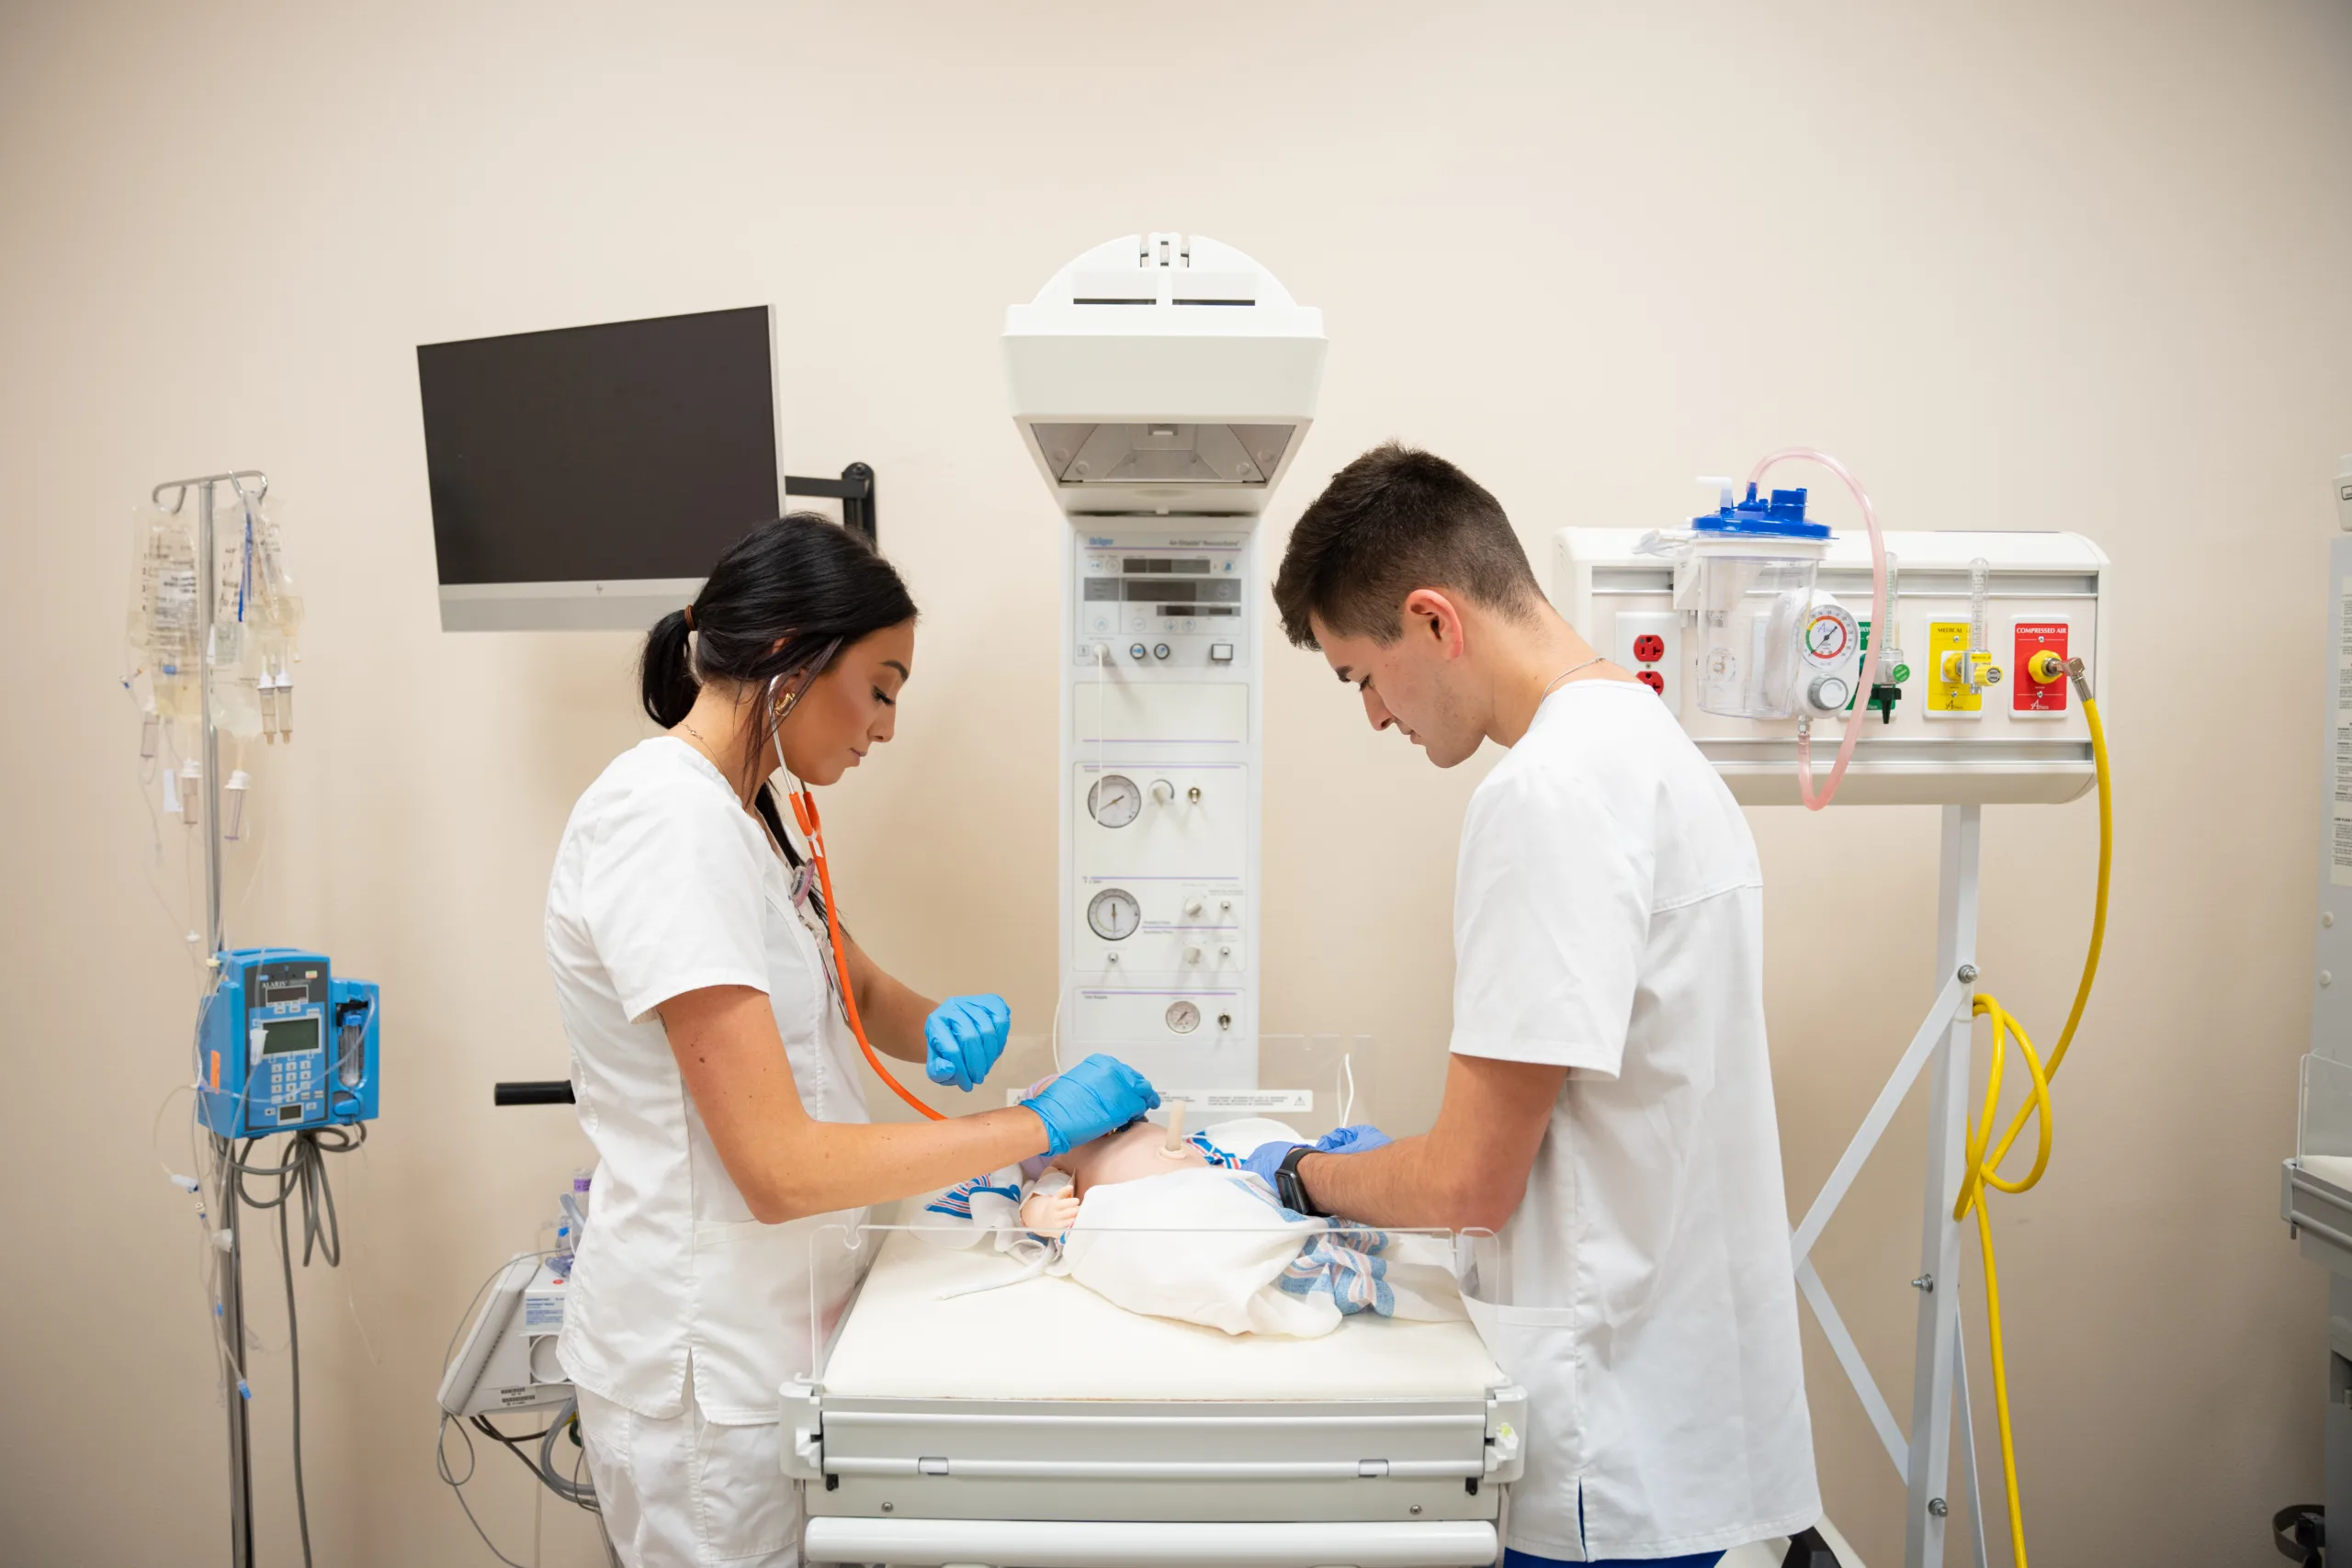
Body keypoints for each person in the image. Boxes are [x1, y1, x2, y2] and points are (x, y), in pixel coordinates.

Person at [542, 513, 1158, 1568]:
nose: (883, 727)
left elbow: (846, 980)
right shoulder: (664, 824)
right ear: (789, 655)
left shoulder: (755, 812)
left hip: (788, 1326)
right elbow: (777, 1168)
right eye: (879, 686)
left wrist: (937, 1024)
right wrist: (1029, 1123)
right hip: (710, 1363)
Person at [1251, 446, 1820, 1565]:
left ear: (1433, 621)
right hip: (1673, 1407)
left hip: (1600, 1439)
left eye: (1359, 675)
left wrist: (1301, 1175)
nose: (1371, 716)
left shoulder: (1546, 793)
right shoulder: (1651, 744)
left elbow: (1469, 1182)